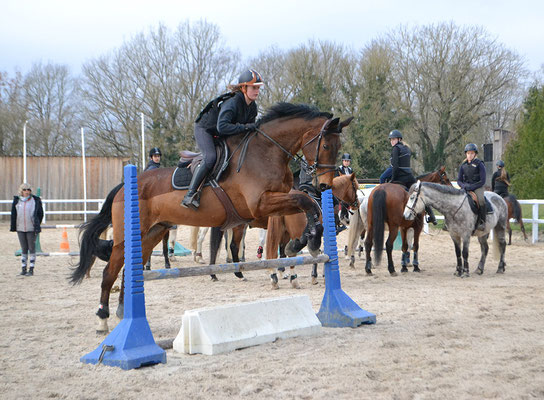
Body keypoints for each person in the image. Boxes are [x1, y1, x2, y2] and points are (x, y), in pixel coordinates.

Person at [181, 69, 263, 209]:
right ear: (243, 88)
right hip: (205, 129)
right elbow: (223, 127)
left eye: (258, 88)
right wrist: (245, 127)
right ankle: (190, 194)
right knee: (211, 157)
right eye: (254, 87)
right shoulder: (233, 103)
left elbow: (246, 131)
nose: (257, 91)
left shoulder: (252, 107)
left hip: (222, 133)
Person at [386, 130, 437, 224]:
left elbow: (396, 167)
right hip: (409, 177)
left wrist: (392, 180)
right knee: (420, 193)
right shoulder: (406, 148)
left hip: (400, 177)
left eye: (393, 139)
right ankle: (432, 216)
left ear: (399, 139)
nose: (392, 141)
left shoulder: (395, 149)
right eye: (391, 140)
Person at [10, 183, 44, 276]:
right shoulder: (17, 201)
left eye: (28, 189)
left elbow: (40, 214)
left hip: (31, 228)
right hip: (20, 228)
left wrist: (36, 224)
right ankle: (23, 268)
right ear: (21, 191)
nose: (27, 191)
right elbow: (14, 214)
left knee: (31, 248)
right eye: (24, 189)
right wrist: (15, 225)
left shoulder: (35, 200)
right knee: (24, 248)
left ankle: (31, 269)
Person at [457, 143, 487, 231]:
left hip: (477, 187)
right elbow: (459, 180)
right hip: (465, 187)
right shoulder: (463, 165)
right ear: (466, 154)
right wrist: (464, 186)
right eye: (468, 153)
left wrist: (472, 187)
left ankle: (482, 222)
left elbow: (483, 180)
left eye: (472, 153)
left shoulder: (480, 164)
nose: (470, 155)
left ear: (475, 154)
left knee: (481, 200)